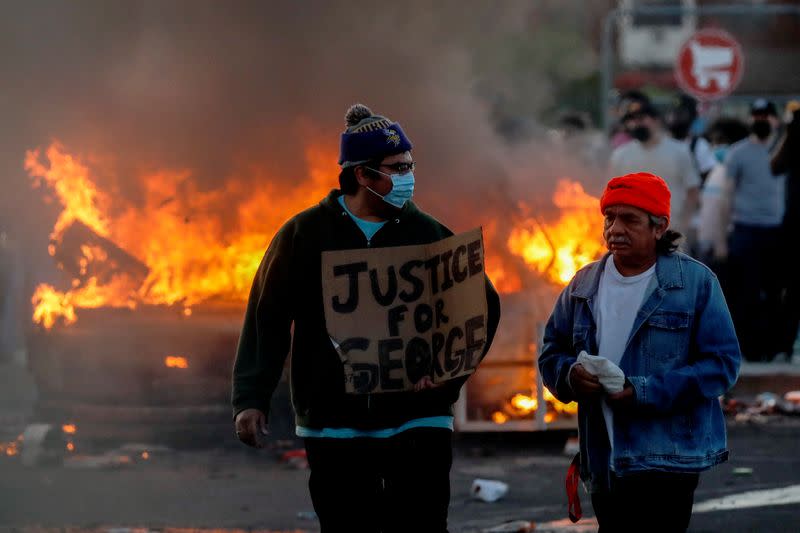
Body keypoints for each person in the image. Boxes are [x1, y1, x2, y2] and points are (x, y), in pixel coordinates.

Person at [231, 103, 501, 533]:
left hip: (418, 419)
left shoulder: (429, 235)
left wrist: (447, 376)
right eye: (396, 168)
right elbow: (268, 316)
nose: (408, 176)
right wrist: (250, 397)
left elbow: (481, 306)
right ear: (361, 174)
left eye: (410, 165)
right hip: (334, 424)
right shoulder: (304, 235)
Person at [539, 172, 741, 532]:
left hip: (668, 460)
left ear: (659, 226)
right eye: (610, 218)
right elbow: (552, 351)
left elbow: (721, 365)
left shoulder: (695, 283)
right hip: (603, 460)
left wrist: (644, 392)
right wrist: (570, 376)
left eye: (629, 219)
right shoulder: (583, 285)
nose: (615, 229)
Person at [720, 99, 786, 362]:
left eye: (767, 115)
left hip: (777, 231)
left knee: (775, 292)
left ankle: (773, 348)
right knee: (746, 292)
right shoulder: (738, 153)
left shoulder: (785, 151)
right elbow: (726, 195)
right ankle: (747, 349)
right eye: (757, 115)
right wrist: (723, 236)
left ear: (776, 120)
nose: (762, 120)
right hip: (746, 230)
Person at [609, 100, 701, 245]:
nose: (635, 124)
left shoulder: (679, 151)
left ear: (656, 120)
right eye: (631, 120)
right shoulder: (620, 155)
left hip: (671, 233)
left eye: (640, 119)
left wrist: (684, 224)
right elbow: (612, 195)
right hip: (632, 236)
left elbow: (693, 191)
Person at [695, 117, 750, 275]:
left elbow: (725, 206)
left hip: (725, 246)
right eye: (713, 141)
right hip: (707, 244)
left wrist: (721, 243)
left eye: (720, 141)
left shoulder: (737, 173)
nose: (715, 146)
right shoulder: (717, 169)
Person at [771, 100, 800, 360]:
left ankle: (786, 346)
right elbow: (775, 165)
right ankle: (785, 346)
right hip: (792, 228)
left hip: (791, 226)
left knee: (791, 292)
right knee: (791, 292)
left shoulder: (789, 144)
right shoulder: (791, 147)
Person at [666, 93, 717, 184]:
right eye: (673, 113)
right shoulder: (660, 142)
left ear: (692, 117)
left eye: (680, 114)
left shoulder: (699, 145)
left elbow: (707, 174)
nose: (675, 118)